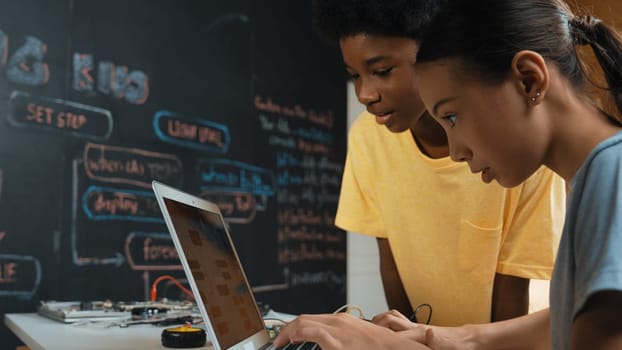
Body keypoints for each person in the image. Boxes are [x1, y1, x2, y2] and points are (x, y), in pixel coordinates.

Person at [273, 0, 622, 349]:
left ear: (529, 79)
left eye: (452, 117)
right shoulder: (597, 175)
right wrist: (434, 336)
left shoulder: (613, 180)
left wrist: (384, 345)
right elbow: (563, 321)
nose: (455, 152)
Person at [313, 0, 566, 326]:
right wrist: (403, 340)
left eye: (382, 71)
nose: (365, 94)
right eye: (354, 76)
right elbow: (391, 264)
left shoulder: (515, 148)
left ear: (435, 53)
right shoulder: (367, 137)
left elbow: (513, 293)